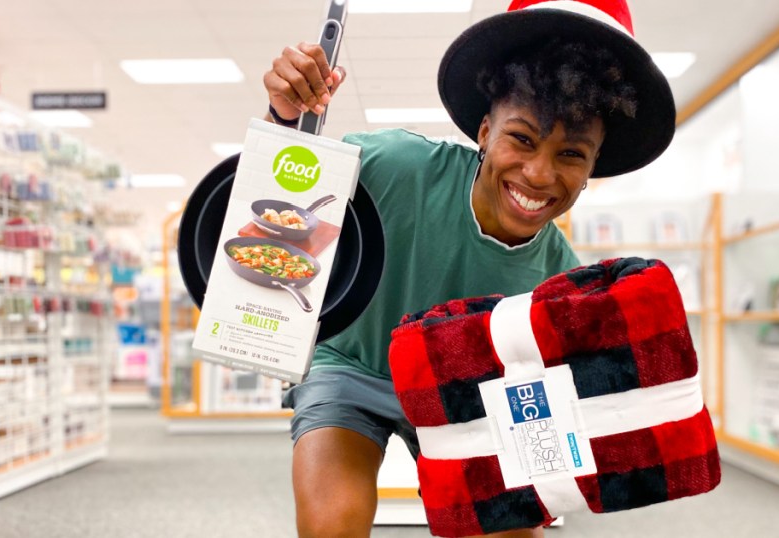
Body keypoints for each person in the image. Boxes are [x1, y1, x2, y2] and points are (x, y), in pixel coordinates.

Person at [262, 1, 676, 536]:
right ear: (484, 130)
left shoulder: (561, 291)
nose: (538, 173)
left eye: (571, 155)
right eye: (521, 139)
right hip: (354, 367)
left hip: (470, 397)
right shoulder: (395, 165)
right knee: (331, 524)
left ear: (593, 166)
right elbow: (284, 202)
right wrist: (287, 119)